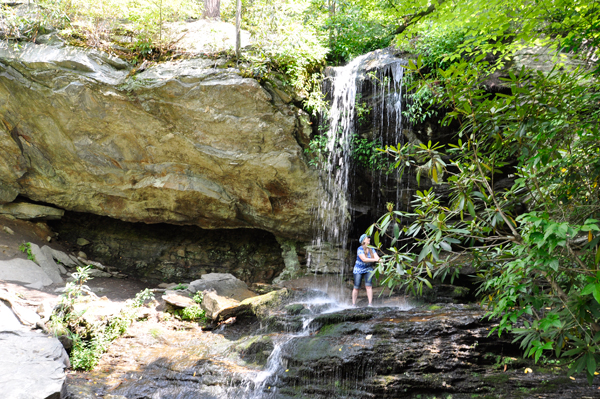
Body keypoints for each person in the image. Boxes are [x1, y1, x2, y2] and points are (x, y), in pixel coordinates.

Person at [352, 234, 380, 307]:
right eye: (368, 238)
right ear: (364, 240)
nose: (369, 239)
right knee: (356, 287)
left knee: (369, 286)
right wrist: (375, 260)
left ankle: (370, 304)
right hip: (358, 269)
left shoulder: (372, 249)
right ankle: (353, 304)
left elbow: (377, 257)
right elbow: (364, 259)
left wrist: (381, 261)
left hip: (368, 269)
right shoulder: (360, 249)